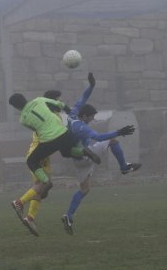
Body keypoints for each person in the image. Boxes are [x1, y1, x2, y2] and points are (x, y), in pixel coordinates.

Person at [8, 89, 101, 229]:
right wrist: (71, 112)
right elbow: (62, 106)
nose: (60, 100)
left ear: (16, 107)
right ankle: (83, 151)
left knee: (39, 179)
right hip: (63, 135)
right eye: (58, 98)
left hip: (44, 146)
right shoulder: (43, 104)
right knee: (66, 152)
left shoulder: (23, 119)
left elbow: (36, 128)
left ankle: (25, 208)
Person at [61, 73, 141, 235]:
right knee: (113, 141)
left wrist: (91, 86)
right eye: (91, 117)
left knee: (84, 190)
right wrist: (118, 131)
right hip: (85, 156)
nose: (92, 119)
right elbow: (98, 137)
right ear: (84, 116)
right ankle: (124, 167)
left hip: (78, 160)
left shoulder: (72, 115)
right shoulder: (82, 127)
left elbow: (82, 98)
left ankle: (68, 216)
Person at [21, 90, 64, 236]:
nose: (59, 102)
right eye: (58, 99)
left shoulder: (44, 114)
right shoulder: (52, 116)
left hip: (41, 154)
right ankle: (19, 203)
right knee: (42, 185)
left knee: (42, 187)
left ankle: (30, 217)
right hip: (39, 156)